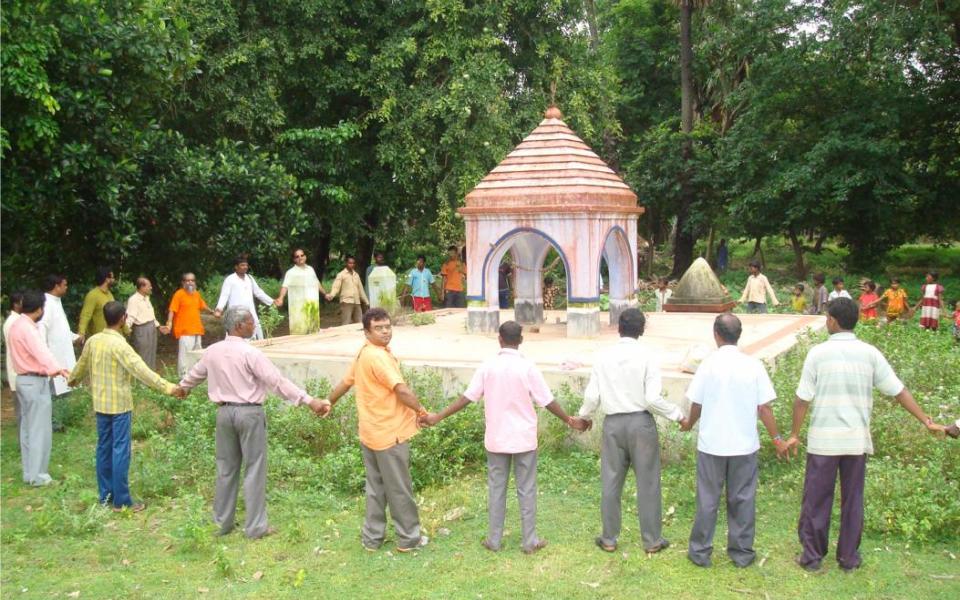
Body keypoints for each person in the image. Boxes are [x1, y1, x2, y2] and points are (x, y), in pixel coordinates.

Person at [783, 298, 945, 572]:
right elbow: (899, 391)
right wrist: (926, 421)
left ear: (833, 321)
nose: (826, 322)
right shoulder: (870, 353)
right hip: (856, 442)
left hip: (824, 442)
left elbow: (802, 399)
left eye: (826, 318)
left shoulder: (817, 353)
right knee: (852, 500)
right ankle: (848, 559)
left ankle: (811, 558)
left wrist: (794, 434)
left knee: (816, 500)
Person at [420, 321, 587, 554]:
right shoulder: (528, 367)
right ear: (521, 340)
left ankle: (494, 540)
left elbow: (467, 398)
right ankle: (530, 541)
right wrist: (569, 420)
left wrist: (438, 416)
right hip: (524, 439)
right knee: (526, 489)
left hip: (497, 439)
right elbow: (547, 400)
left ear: (499, 339)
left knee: (496, 488)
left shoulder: (488, 366)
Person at [177, 307, 328, 538]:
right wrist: (308, 400)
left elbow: (195, 375)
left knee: (225, 468)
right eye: (250, 322)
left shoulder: (213, 351)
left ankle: (221, 523)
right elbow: (276, 381)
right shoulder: (250, 353)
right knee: (254, 468)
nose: (253, 325)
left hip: (224, 414)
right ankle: (256, 527)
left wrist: (182, 388)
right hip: (249, 414)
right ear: (238, 326)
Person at [679, 313, 787, 568]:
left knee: (708, 499)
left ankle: (700, 552)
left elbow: (697, 402)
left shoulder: (708, 365)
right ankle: (741, 553)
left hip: (712, 445)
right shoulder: (753, 365)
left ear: (716, 334)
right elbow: (765, 408)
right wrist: (777, 438)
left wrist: (689, 424)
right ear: (738, 335)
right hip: (744, 445)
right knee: (743, 499)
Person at [324, 308, 430, 552]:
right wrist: (422, 412)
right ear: (367, 332)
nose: (385, 332)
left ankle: (372, 539)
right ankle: (409, 539)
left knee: (375, 489)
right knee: (399, 489)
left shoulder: (364, 353)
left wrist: (329, 401)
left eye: (387, 327)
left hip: (369, 434)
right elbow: (401, 390)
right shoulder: (377, 357)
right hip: (389, 434)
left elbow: (346, 382)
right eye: (379, 328)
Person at [576, 308, 681, 554]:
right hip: (641, 424)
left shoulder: (603, 356)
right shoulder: (648, 356)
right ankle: (652, 540)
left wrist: (584, 416)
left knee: (611, 481)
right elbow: (652, 398)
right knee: (648, 482)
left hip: (613, 425)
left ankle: (609, 538)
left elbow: (592, 395)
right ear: (641, 330)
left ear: (618, 328)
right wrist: (677, 414)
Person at [69, 301, 183, 511]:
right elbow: (142, 371)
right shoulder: (120, 345)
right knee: (120, 450)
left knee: (104, 448)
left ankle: (105, 496)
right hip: (119, 406)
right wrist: (169, 388)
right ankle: (121, 501)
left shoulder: (94, 341)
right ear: (122, 319)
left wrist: (72, 379)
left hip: (101, 404)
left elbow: (81, 366)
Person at [6, 290, 71, 486]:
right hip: (34, 381)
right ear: (39, 309)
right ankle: (39, 476)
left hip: (23, 380)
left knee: (27, 429)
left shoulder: (17, 325)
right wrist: (59, 369)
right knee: (39, 430)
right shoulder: (28, 329)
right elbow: (42, 353)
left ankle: (29, 472)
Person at [38, 274, 82, 399]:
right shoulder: (46, 303)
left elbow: (61, 329)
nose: (66, 288)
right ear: (56, 286)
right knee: (56, 393)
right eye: (65, 285)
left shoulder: (56, 301)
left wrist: (75, 337)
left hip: (64, 353)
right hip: (54, 355)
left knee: (65, 390)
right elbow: (42, 328)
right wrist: (45, 354)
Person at [214, 256, 276, 340]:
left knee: (256, 335)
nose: (245, 267)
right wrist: (219, 309)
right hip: (236, 314)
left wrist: (272, 302)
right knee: (236, 336)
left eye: (246, 265)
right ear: (236, 267)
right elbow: (224, 295)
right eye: (242, 265)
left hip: (250, 312)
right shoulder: (230, 279)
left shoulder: (249, 278)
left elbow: (258, 292)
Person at [166, 273, 213, 376]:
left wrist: (213, 312)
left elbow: (203, 305)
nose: (190, 282)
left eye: (192, 280)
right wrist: (169, 324)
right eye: (188, 280)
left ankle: (194, 378)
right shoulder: (179, 294)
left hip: (197, 331)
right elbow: (172, 310)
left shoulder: (196, 294)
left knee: (196, 357)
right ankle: (183, 379)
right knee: (185, 357)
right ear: (183, 283)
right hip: (185, 332)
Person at [277, 248, 325, 334]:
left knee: (313, 331)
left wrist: (325, 294)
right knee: (300, 332)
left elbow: (316, 282)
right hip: (298, 308)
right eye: (297, 256)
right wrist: (281, 298)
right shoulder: (291, 272)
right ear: (294, 259)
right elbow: (285, 286)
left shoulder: (310, 269)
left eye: (302, 255)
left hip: (312, 306)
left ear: (305, 256)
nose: (300, 258)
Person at [125, 277, 168, 370]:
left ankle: (150, 379)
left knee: (152, 354)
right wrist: (126, 329)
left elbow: (151, 316)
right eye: (149, 286)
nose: (151, 288)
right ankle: (141, 382)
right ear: (142, 287)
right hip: (141, 330)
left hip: (151, 328)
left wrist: (159, 326)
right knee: (143, 355)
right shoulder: (134, 300)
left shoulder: (147, 298)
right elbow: (130, 317)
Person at [2, 291, 25, 433]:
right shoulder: (12, 322)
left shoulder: (18, 320)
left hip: (20, 372)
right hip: (17, 373)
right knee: (21, 412)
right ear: (16, 304)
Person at [325, 256, 369, 326]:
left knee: (359, 324)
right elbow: (336, 287)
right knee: (346, 323)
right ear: (346, 263)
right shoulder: (341, 275)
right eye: (350, 263)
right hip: (346, 302)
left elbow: (361, 290)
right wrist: (332, 295)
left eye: (353, 263)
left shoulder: (356, 275)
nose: (351, 265)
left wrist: (366, 301)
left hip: (357, 302)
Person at [78, 266, 118, 338]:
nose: (114, 280)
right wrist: (81, 333)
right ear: (107, 279)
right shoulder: (93, 295)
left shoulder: (110, 294)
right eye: (112, 277)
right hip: (98, 338)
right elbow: (85, 315)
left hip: (111, 337)